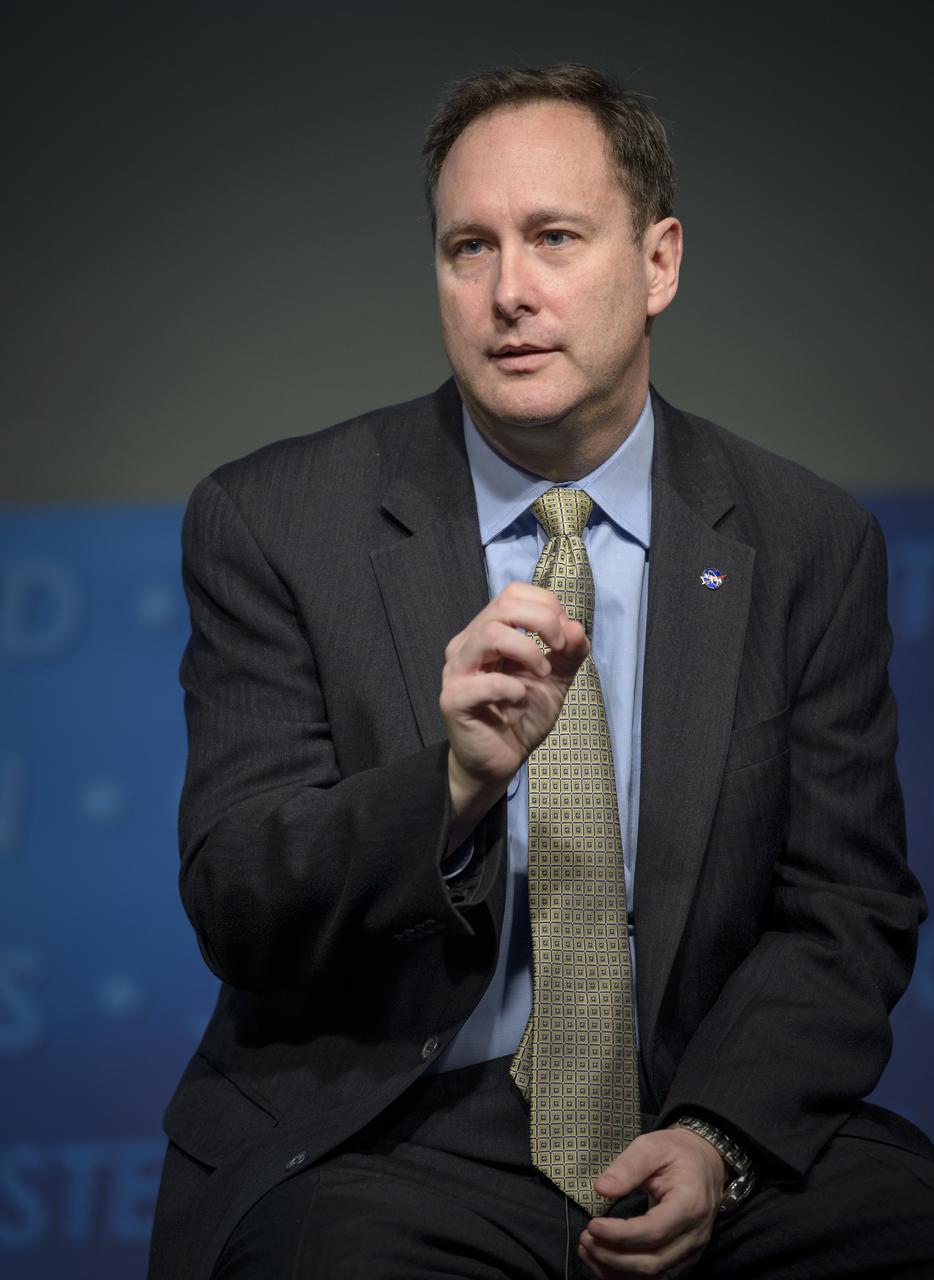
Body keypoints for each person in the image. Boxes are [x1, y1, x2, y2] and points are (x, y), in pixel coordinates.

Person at [149, 64, 934, 1279]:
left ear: (658, 262)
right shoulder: (276, 521)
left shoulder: (805, 542)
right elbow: (238, 895)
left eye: (554, 238)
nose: (508, 291)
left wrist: (716, 1139)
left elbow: (845, 908)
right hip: (384, 1133)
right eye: (469, 247)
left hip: (686, 1102)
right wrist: (452, 785)